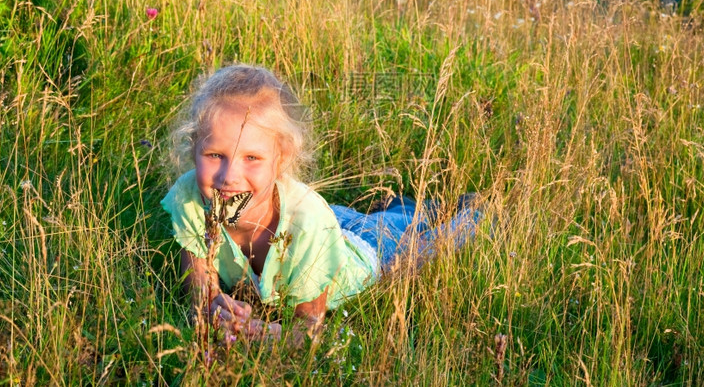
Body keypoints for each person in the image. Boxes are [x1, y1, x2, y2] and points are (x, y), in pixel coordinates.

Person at [160, 64, 480, 343]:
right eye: (216, 155)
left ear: (281, 158)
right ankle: (404, 206)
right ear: (193, 151)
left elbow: (309, 331)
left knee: (416, 249)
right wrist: (212, 304)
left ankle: (472, 214)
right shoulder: (192, 196)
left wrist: (268, 335)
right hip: (333, 223)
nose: (229, 177)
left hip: (362, 251)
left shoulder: (308, 222)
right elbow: (201, 286)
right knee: (387, 218)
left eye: (252, 158)